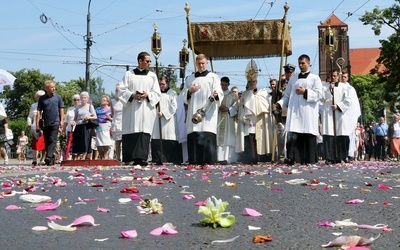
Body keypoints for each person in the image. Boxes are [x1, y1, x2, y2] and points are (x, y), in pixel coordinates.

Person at [275, 54, 323, 165]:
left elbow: (319, 95)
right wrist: (280, 103)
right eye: (299, 63)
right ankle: (292, 158)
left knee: (308, 135)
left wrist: (305, 92)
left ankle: (309, 159)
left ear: (308, 63)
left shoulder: (315, 78)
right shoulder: (293, 79)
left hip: (308, 112)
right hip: (295, 112)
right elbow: (287, 95)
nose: (301, 65)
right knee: (293, 135)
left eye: (303, 63)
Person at [117, 51, 161, 166]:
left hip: (146, 109)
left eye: (150, 61)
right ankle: (129, 157)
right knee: (132, 130)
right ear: (140, 61)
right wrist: (132, 95)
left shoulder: (152, 76)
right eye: (147, 61)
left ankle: (142, 158)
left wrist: (148, 95)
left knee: (144, 131)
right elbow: (121, 90)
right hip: (132, 108)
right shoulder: (129, 74)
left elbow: (157, 93)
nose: (149, 63)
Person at [182, 54, 223, 165]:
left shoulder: (213, 77)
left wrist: (216, 94)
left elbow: (219, 92)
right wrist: (190, 91)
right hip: (194, 113)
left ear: (206, 63)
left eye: (203, 63)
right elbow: (183, 96)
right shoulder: (190, 78)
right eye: (199, 64)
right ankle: (194, 162)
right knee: (194, 137)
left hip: (208, 114)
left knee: (207, 136)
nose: (201, 66)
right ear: (196, 64)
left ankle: (209, 162)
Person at [236, 59, 274, 164]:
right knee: (250, 140)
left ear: (256, 82)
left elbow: (267, 105)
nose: (251, 83)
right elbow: (240, 106)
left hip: (260, 121)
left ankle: (261, 157)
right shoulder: (244, 94)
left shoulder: (263, 93)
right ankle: (250, 158)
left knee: (260, 139)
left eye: (253, 81)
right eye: (249, 82)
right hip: (249, 122)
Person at [320, 69, 351, 164]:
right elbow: (322, 98)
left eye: (335, 76)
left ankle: (342, 156)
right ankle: (329, 157)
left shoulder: (344, 87)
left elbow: (348, 101)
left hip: (339, 115)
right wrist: (329, 89)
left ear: (338, 76)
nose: (333, 78)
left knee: (341, 134)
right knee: (329, 135)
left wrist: (338, 106)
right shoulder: (324, 86)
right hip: (328, 114)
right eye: (332, 76)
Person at [151, 76, 181, 164]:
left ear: (167, 84)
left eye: (163, 84)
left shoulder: (172, 93)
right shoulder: (155, 94)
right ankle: (157, 159)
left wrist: (164, 113)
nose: (161, 86)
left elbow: (174, 106)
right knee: (157, 137)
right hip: (156, 120)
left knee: (168, 136)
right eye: (159, 84)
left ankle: (170, 158)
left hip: (168, 120)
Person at [36, 80, 64, 166]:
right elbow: (39, 111)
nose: (54, 88)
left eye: (54, 87)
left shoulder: (58, 97)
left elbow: (61, 109)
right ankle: (51, 160)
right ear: (46, 88)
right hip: (45, 122)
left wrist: (62, 120)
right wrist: (37, 123)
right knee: (47, 140)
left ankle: (48, 156)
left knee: (53, 139)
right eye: (52, 87)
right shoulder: (42, 98)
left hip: (55, 122)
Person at [216, 76, 238, 165]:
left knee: (228, 138)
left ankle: (228, 158)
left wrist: (228, 109)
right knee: (219, 139)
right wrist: (218, 107)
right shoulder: (218, 94)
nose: (224, 86)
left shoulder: (232, 95)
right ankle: (219, 158)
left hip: (229, 119)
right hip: (219, 118)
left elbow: (236, 107)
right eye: (222, 85)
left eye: (225, 85)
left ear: (228, 84)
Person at [340, 71, 361, 161]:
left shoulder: (351, 89)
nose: (343, 78)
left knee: (349, 134)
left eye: (345, 77)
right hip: (340, 114)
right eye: (342, 77)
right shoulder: (337, 87)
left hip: (349, 114)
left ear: (347, 78)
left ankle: (350, 153)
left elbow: (353, 103)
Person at [71, 91, 97, 160]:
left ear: (87, 99)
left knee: (85, 141)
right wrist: (73, 122)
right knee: (78, 141)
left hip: (87, 126)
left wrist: (88, 117)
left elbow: (95, 117)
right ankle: (79, 155)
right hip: (79, 125)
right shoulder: (77, 107)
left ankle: (84, 156)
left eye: (85, 98)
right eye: (82, 98)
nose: (83, 99)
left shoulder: (90, 106)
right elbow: (75, 118)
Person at [27, 90, 46, 165]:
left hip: (45, 126)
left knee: (44, 144)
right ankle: (34, 159)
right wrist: (29, 122)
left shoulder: (47, 104)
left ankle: (43, 159)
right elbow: (29, 116)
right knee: (36, 144)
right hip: (36, 127)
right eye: (38, 96)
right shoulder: (33, 106)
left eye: (41, 96)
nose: (39, 98)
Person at [62, 94, 80, 160]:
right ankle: (69, 158)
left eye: (78, 100)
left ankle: (77, 159)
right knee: (69, 145)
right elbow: (66, 121)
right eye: (75, 100)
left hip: (78, 130)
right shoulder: (70, 109)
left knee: (77, 145)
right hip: (70, 130)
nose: (76, 101)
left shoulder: (82, 109)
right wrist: (63, 130)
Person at [96, 95, 113, 160]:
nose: (102, 101)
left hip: (107, 125)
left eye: (104, 100)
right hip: (99, 126)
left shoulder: (110, 109)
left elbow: (113, 118)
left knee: (106, 142)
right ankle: (101, 156)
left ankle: (105, 156)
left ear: (107, 102)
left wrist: (109, 118)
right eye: (101, 100)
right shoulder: (97, 109)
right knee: (99, 142)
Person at [111, 82, 123, 162]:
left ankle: (124, 157)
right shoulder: (112, 101)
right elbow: (112, 113)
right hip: (116, 122)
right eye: (116, 90)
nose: (117, 92)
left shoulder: (124, 101)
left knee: (124, 141)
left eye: (118, 90)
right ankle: (118, 157)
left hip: (124, 121)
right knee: (117, 141)